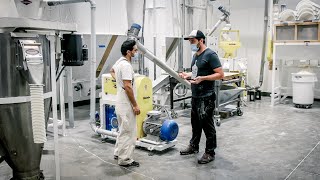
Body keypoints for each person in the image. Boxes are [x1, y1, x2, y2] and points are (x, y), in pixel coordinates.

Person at [179, 30, 224, 164]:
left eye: (193, 41)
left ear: (201, 40)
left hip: (206, 96)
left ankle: (210, 152)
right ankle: (194, 146)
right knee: (195, 123)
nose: (191, 43)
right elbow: (197, 73)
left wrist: (203, 78)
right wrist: (188, 75)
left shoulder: (210, 54)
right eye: (190, 41)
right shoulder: (196, 55)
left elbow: (220, 74)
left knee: (207, 125)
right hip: (196, 95)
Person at [110, 40, 140, 167]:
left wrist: (118, 81)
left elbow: (112, 71)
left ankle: (118, 153)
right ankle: (125, 159)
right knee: (129, 131)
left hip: (119, 99)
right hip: (126, 102)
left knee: (123, 129)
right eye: (135, 50)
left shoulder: (119, 62)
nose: (136, 52)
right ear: (129, 52)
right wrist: (135, 105)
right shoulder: (126, 66)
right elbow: (128, 87)